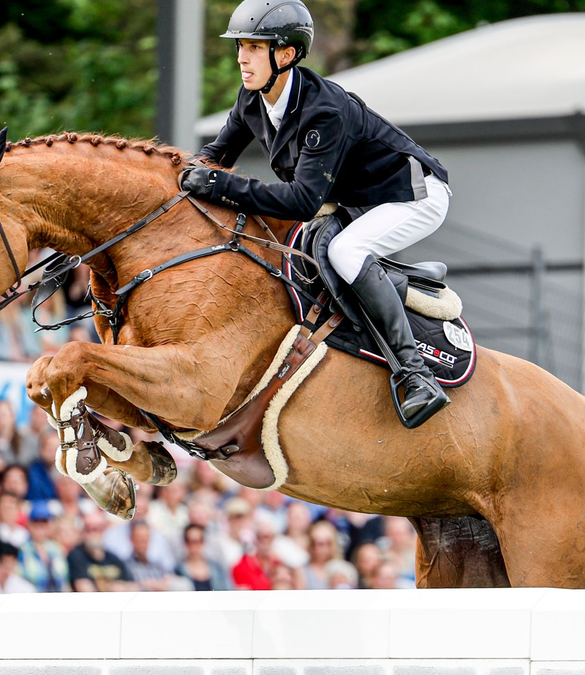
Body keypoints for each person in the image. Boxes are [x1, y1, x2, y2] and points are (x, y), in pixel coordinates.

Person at [183, 0, 451, 427]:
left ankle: (415, 374)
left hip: (412, 194)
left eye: (253, 47)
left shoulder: (325, 110)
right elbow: (215, 156)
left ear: (285, 54)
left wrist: (218, 185)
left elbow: (302, 201)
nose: (240, 57)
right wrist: (180, 177)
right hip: (360, 200)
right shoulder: (252, 98)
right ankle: (388, 290)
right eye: (240, 46)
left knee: (346, 251)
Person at [68, 509, 134, 592]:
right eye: (89, 529)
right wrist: (112, 588)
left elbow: (133, 586)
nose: (94, 534)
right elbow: (85, 590)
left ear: (104, 530)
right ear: (82, 532)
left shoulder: (113, 558)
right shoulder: (76, 556)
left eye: (97, 529)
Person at [18, 501, 68, 592]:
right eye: (36, 523)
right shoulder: (23, 550)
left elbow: (64, 581)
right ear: (29, 525)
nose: (40, 528)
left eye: (44, 523)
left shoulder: (56, 549)